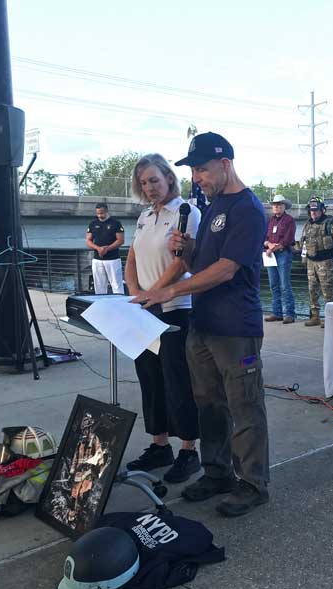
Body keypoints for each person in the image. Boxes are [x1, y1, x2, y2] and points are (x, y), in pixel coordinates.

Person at [133, 132, 270, 517]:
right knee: (209, 404)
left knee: (245, 406)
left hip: (235, 328)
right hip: (203, 323)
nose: (197, 178)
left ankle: (253, 483)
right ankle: (217, 471)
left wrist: (168, 290)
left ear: (225, 164)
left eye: (203, 170)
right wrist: (189, 252)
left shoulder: (248, 209)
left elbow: (227, 271)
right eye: (193, 171)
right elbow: (205, 265)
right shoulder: (210, 206)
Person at [124, 153, 201, 484]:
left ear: (169, 177)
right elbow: (131, 256)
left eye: (154, 180)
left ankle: (188, 449)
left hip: (175, 308)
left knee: (178, 381)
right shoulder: (144, 216)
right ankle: (159, 444)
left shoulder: (186, 213)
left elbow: (182, 262)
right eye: (143, 183)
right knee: (150, 379)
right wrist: (135, 293)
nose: (149, 188)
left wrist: (152, 293)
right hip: (144, 309)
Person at [301, 197, 333, 327]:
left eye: (316, 210)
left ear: (322, 210)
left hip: (326, 262)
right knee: (312, 290)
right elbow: (304, 243)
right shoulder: (308, 224)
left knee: (328, 291)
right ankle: (315, 316)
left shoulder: (331, 224)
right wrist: (303, 256)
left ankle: (330, 318)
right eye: (311, 210)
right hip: (311, 262)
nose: (313, 213)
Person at [263, 194, 296, 324]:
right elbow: (264, 237)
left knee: (284, 285)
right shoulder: (270, 220)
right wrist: (268, 245)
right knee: (274, 285)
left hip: (283, 254)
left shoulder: (289, 220)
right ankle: (277, 313)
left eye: (279, 205)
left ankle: (290, 314)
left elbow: (288, 239)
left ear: (284, 206)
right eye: (274, 205)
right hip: (271, 255)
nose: (276, 207)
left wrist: (272, 248)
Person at [86, 202, 125, 294]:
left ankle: (119, 304)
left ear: (106, 211)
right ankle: (101, 304)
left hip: (113, 260)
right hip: (97, 260)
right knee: (99, 286)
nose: (100, 215)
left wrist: (107, 249)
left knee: (116, 285)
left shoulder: (116, 223)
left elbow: (120, 240)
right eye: (98, 213)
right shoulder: (92, 224)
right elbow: (88, 240)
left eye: (102, 213)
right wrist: (98, 248)